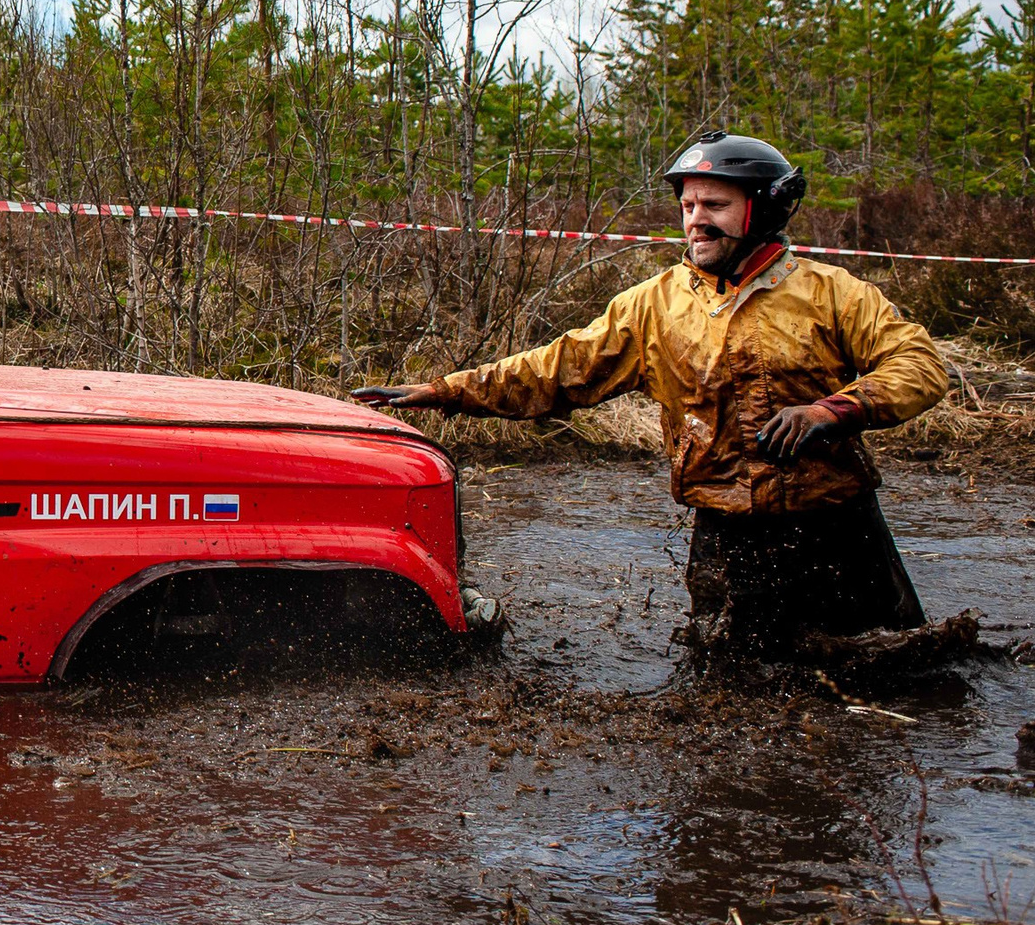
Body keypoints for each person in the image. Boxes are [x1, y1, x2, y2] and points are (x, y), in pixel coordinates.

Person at [353, 130, 951, 657]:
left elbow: (920, 365)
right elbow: (557, 369)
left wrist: (833, 410)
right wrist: (442, 391)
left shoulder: (834, 293)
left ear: (765, 207)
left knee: (894, 667)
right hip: (725, 532)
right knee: (727, 681)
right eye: (688, 205)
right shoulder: (654, 304)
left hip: (839, 529)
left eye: (715, 204)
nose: (695, 219)